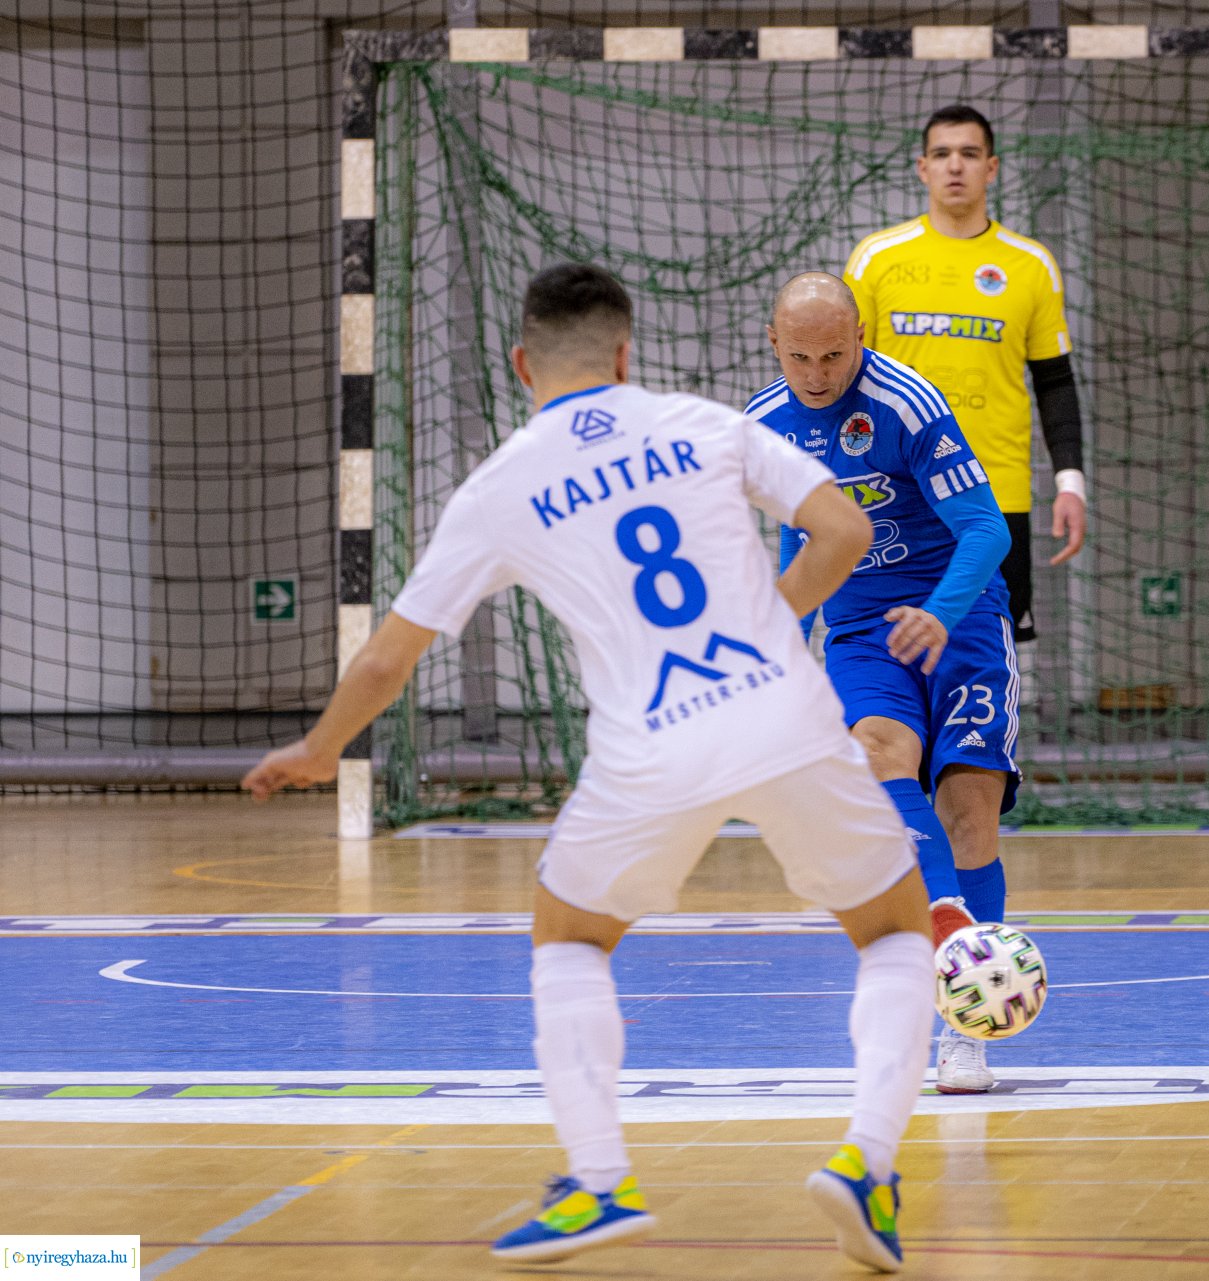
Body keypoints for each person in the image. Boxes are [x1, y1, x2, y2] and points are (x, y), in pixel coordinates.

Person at [242, 262, 932, 1273]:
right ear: (623, 353)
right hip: (784, 714)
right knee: (895, 931)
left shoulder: (500, 485)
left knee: (569, 938)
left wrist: (317, 749)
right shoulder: (705, 423)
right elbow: (847, 530)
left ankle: (601, 1184)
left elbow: (390, 658)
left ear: (523, 364)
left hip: (648, 747)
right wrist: (770, 624)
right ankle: (866, 1163)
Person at [750, 271, 1015, 1096]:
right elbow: (801, 544)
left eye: (834, 355)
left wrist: (939, 612)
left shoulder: (908, 404)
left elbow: (987, 530)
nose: (817, 374)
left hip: (958, 614)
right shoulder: (762, 426)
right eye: (800, 358)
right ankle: (947, 925)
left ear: (861, 337)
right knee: (876, 752)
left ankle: (968, 1027)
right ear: (773, 344)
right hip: (863, 628)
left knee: (968, 811)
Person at [844, 103, 1088, 658]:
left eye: (970, 154)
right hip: (899, 495)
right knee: (893, 654)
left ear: (992, 168)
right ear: (922, 168)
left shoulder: (1031, 264)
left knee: (984, 661)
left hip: (995, 500)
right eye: (942, 154)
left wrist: (1070, 483)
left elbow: (1055, 382)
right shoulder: (875, 259)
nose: (955, 165)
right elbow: (846, 380)